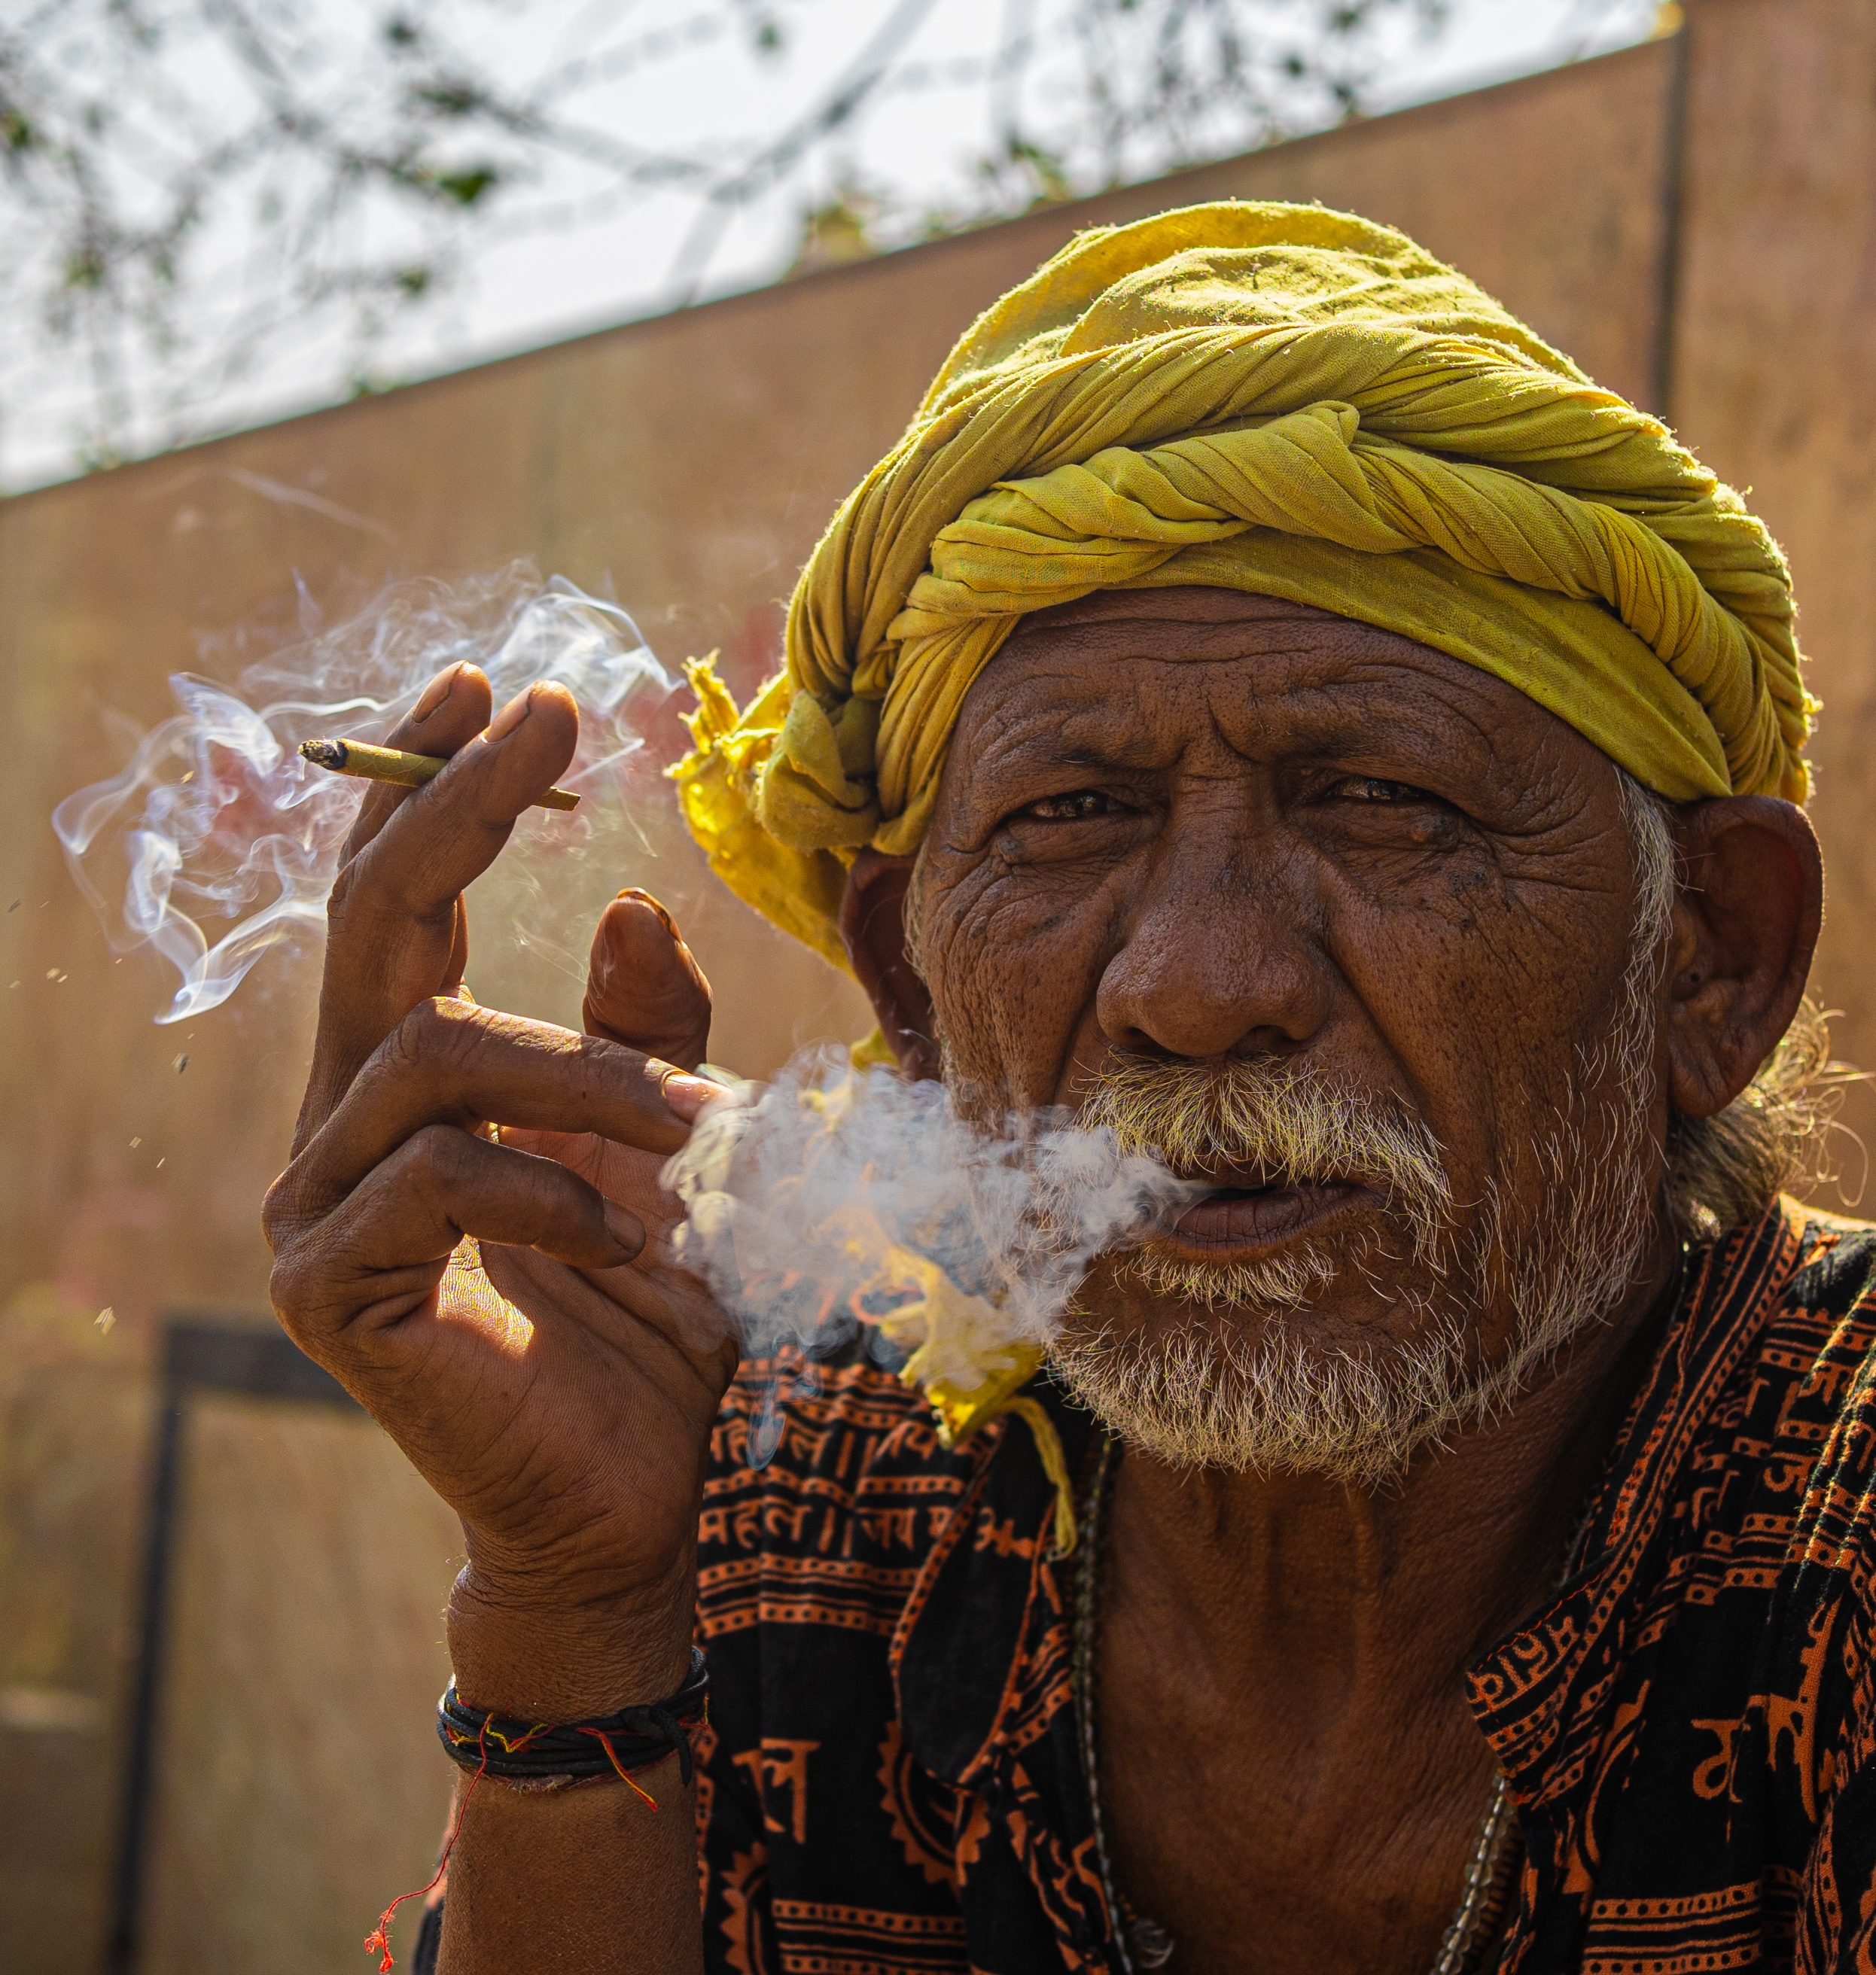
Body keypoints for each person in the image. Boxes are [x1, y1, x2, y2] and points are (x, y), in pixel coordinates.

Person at [263, 204, 1876, 1975]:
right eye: (1068, 817)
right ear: (914, 994)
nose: (1193, 987)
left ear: (1709, 957)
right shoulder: (802, 1495)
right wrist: (570, 1602)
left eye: (1381, 802)